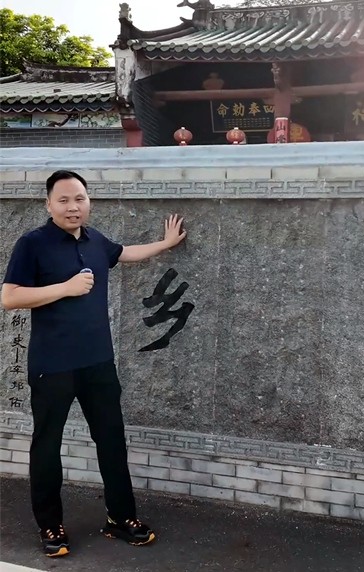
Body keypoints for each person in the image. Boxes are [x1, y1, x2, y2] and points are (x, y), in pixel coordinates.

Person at [1, 170, 186, 558]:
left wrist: (165, 244)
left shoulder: (94, 239)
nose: (73, 206)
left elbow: (124, 253)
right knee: (47, 445)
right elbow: (10, 297)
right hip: (52, 365)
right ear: (48, 204)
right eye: (64, 200)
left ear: (89, 202)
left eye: (80, 199)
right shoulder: (32, 244)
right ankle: (50, 525)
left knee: (112, 440)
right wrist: (65, 288)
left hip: (98, 362)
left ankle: (121, 517)